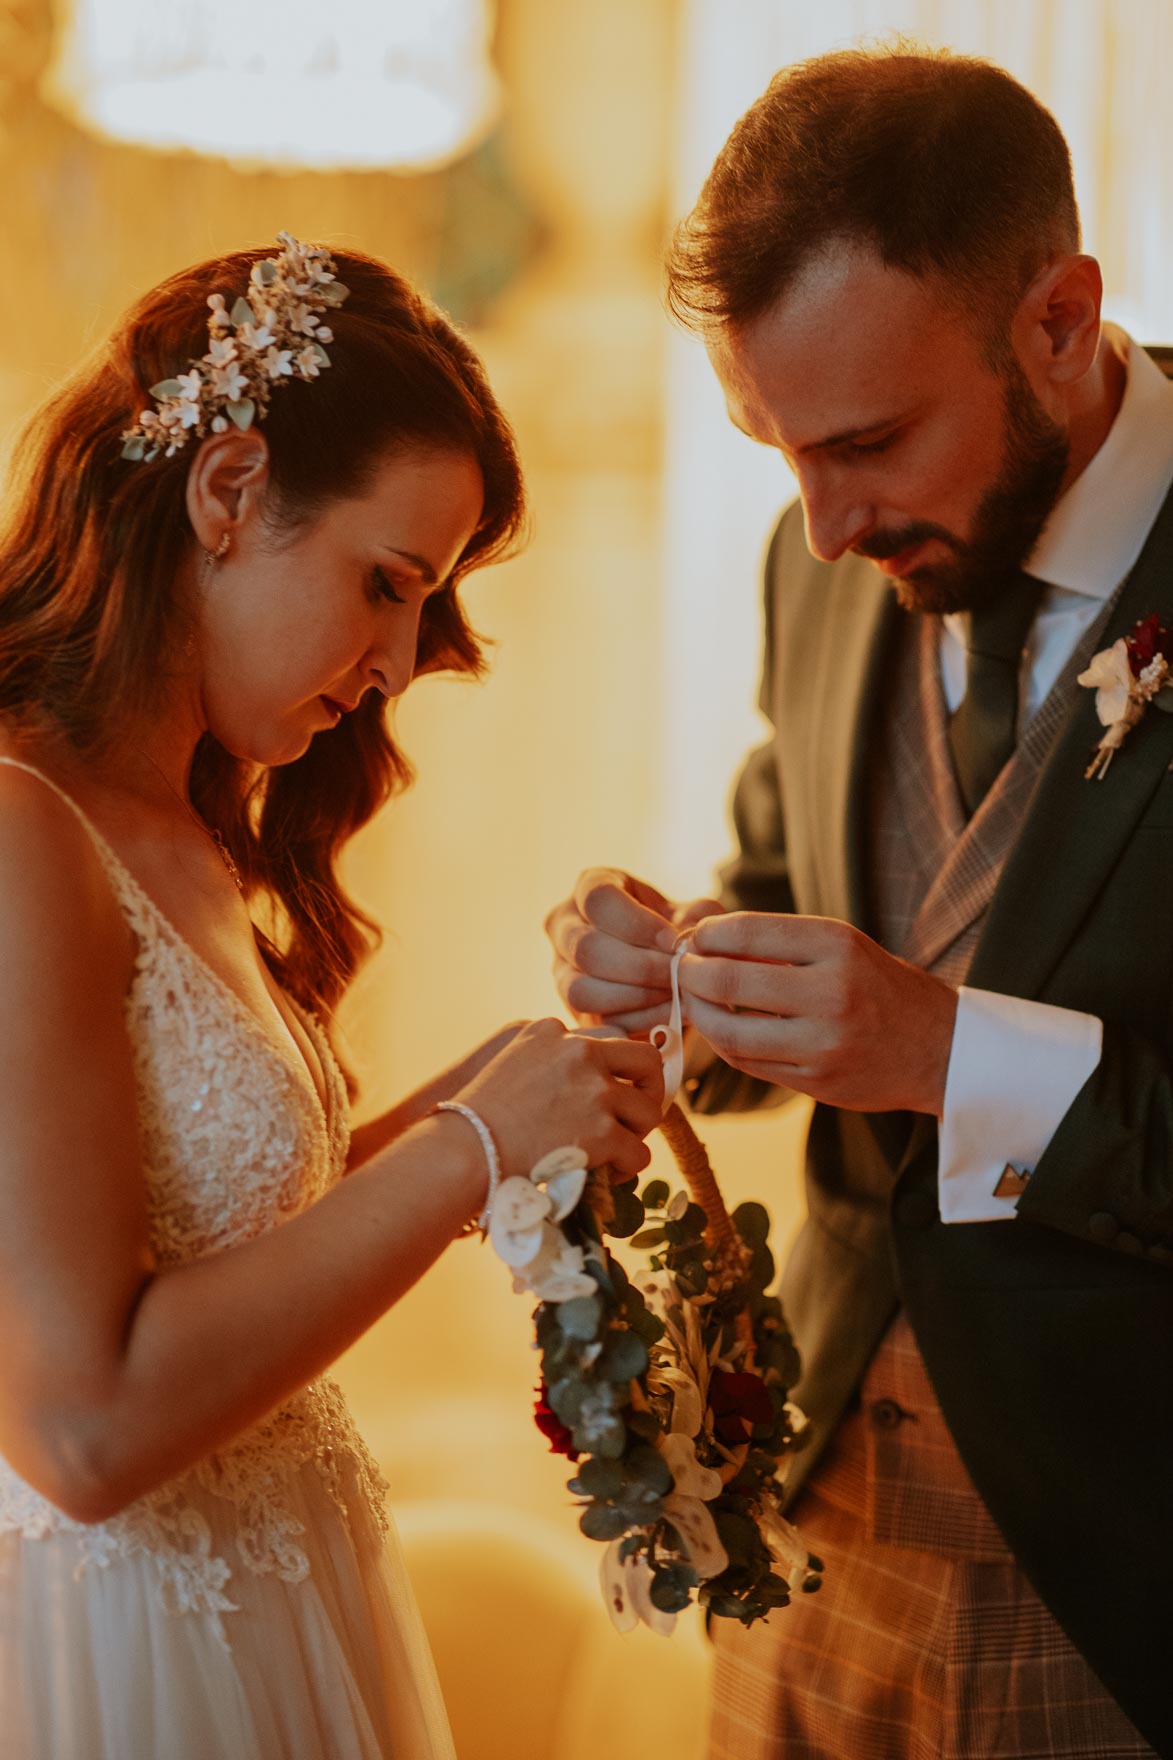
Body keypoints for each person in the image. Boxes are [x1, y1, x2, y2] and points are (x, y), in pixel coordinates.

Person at [546, 47, 1173, 1760]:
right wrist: (673, 978)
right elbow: (787, 887)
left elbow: (927, 1031)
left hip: (1124, 1588)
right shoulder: (816, 559)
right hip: (809, 1545)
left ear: (1056, 319)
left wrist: (953, 1053)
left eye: (867, 440)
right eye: (774, 449)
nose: (818, 527)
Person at [0, 232, 664, 1760]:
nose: (392, 663)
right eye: (385, 584)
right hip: (122, 1656)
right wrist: (472, 1151)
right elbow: (87, 1425)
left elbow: (231, 1264)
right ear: (227, 491)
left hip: (279, 1612)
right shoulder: (24, 832)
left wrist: (498, 1089)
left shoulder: (191, 835)